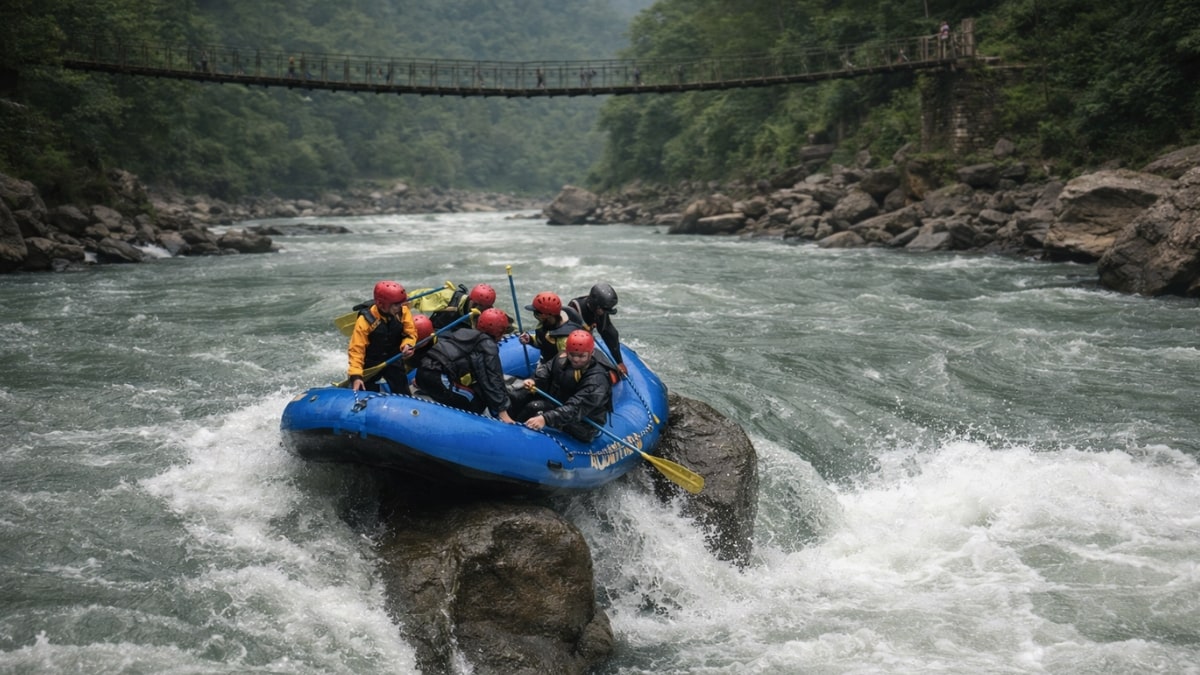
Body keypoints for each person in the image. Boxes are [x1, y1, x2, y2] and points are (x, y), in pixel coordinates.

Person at [415, 308, 516, 423]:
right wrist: (502, 410)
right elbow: (491, 378)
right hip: (439, 377)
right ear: (499, 332)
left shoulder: (462, 332)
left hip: (422, 371)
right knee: (475, 402)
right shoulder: (487, 345)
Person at [517, 330, 613, 442]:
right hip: (559, 405)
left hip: (584, 422)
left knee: (534, 407)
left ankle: (520, 437)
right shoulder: (562, 357)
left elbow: (576, 407)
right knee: (520, 396)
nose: (576, 359)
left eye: (582, 356)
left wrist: (546, 419)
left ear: (591, 354)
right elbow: (546, 369)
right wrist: (534, 380)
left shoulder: (597, 379)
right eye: (572, 355)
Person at [347, 280, 417, 394]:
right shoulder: (365, 321)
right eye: (396, 304)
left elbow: (410, 333)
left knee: (402, 390)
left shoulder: (403, 312)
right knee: (364, 390)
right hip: (370, 363)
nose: (400, 307)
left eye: (401, 303)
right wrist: (356, 376)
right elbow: (356, 350)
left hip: (393, 358)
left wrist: (408, 345)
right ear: (381, 304)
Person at [567, 282, 626, 375]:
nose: (604, 313)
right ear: (595, 305)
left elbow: (609, 334)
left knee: (612, 371)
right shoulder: (575, 309)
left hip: (585, 347)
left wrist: (619, 362)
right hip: (571, 347)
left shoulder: (600, 310)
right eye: (603, 310)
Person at [519, 291, 584, 364]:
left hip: (557, 370)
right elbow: (543, 342)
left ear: (545, 315)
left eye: (536, 313)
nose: (535, 315)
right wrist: (530, 339)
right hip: (547, 364)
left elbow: (566, 364)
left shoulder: (564, 338)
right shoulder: (545, 324)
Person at [421, 282, 497, 330]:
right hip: (440, 333)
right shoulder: (448, 299)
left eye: (483, 308)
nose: (478, 309)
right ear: (471, 299)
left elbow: (503, 323)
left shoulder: (487, 312)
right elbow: (418, 298)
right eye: (476, 305)